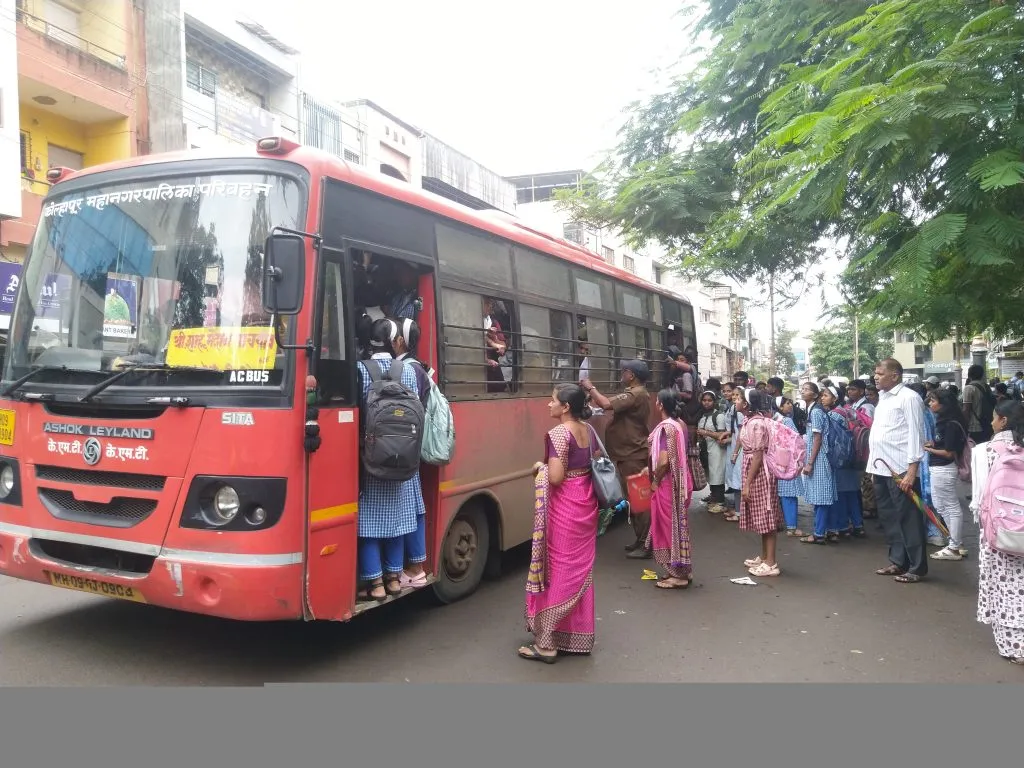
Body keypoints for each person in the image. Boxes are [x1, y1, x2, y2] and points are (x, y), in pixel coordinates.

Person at [520, 384, 599, 663]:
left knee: (560, 568)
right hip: (585, 501)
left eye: (552, 401)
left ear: (565, 407)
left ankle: (547, 641)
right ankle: (574, 634)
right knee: (579, 569)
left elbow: (555, 477)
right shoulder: (588, 430)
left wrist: (538, 468)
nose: (548, 405)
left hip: (566, 505)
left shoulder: (558, 433)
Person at [355, 319, 427, 602]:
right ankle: (394, 579)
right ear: (395, 342)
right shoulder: (409, 371)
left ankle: (375, 584)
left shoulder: (359, 370)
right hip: (403, 458)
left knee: (369, 522)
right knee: (397, 520)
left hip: (370, 459)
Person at [971, 400, 1024, 666]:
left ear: (1002, 420)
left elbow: (979, 497)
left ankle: (1014, 646)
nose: (991, 422)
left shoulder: (984, 450)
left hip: (998, 530)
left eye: (994, 417)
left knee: (1003, 585)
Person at [583, 360, 653, 558]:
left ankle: (646, 544)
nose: (622, 375)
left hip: (633, 454)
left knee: (640, 502)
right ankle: (641, 540)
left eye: (624, 372)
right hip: (628, 453)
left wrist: (591, 387)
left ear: (631, 375)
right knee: (635, 501)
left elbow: (606, 403)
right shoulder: (636, 393)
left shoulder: (635, 393)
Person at [867, 358, 929, 583]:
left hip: (902, 469)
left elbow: (916, 435)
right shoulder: (883, 399)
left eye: (880, 373)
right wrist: (873, 467)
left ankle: (916, 567)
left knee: (909, 518)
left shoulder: (909, 398)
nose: (876, 376)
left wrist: (912, 471)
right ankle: (898, 561)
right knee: (889, 517)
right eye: (875, 373)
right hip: (882, 468)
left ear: (895, 375)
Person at [391, 317, 431, 588]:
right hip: (413, 445)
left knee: (411, 508)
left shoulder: (406, 369)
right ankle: (415, 566)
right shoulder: (418, 367)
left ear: (400, 341)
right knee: (415, 506)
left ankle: (414, 568)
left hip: (405, 447)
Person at [645, 390, 694, 589]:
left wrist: (655, 479)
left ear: (660, 405)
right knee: (679, 525)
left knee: (667, 527)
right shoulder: (680, 424)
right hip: (681, 480)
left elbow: (664, 459)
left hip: (668, 483)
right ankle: (683, 570)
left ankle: (677, 575)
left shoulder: (665, 428)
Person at [740, 389, 786, 577]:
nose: (735, 400)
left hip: (759, 474)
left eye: (738, 398)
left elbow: (758, 456)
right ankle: (765, 556)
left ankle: (771, 563)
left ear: (746, 404)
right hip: (753, 470)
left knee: (767, 517)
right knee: (761, 516)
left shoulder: (757, 424)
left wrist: (747, 484)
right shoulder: (751, 421)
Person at [924, 388, 968, 562]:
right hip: (939, 467)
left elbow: (949, 452)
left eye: (933, 400)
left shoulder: (949, 423)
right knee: (941, 505)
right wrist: (933, 443)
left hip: (944, 467)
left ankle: (955, 546)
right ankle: (954, 542)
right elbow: (944, 442)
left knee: (949, 506)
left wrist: (930, 449)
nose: (930, 403)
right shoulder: (946, 421)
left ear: (944, 404)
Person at [821, 385, 865, 539]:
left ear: (835, 398)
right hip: (853, 455)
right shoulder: (849, 410)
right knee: (852, 493)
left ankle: (842, 526)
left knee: (839, 494)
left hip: (840, 458)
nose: (822, 398)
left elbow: (830, 439)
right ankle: (858, 525)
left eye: (826, 395)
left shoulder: (833, 415)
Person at [799, 382, 838, 545]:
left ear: (815, 395)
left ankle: (818, 533)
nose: (803, 391)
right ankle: (828, 529)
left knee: (820, 497)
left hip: (820, 458)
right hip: (821, 457)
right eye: (803, 388)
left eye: (807, 389)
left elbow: (817, 438)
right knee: (823, 495)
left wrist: (809, 463)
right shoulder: (815, 410)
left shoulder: (815, 412)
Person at [696, 390, 729, 514]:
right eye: (704, 400)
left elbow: (722, 435)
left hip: (717, 450)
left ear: (714, 402)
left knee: (717, 475)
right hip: (706, 450)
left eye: (709, 400)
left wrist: (706, 433)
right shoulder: (703, 416)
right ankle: (714, 498)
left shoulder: (719, 416)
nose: (706, 403)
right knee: (711, 475)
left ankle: (720, 502)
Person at [777, 398, 805, 537]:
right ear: (780, 407)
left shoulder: (773, 419)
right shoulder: (786, 421)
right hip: (788, 460)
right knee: (789, 495)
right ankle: (792, 527)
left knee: (782, 494)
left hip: (776, 461)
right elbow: (796, 439)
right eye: (787, 403)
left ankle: (783, 523)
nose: (791, 405)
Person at [724, 387, 750, 523]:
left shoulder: (741, 413)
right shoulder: (734, 409)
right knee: (737, 481)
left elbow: (740, 434)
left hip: (741, 451)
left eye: (738, 396)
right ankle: (740, 511)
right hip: (737, 448)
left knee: (739, 481)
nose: (734, 398)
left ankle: (741, 513)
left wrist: (735, 453)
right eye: (733, 395)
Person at [963, 364, 995, 444]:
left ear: (969, 374)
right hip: (987, 424)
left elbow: (966, 409)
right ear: (982, 374)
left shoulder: (969, 388)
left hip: (974, 426)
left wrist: (964, 426)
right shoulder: (986, 386)